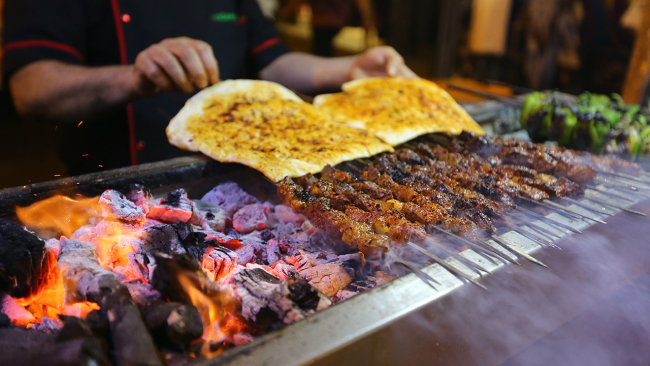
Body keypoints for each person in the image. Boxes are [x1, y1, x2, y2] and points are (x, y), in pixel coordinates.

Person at [1, 0, 416, 175]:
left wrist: (348, 68)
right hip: (120, 193)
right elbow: (30, 88)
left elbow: (270, 62)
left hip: (242, 180)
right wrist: (134, 77)